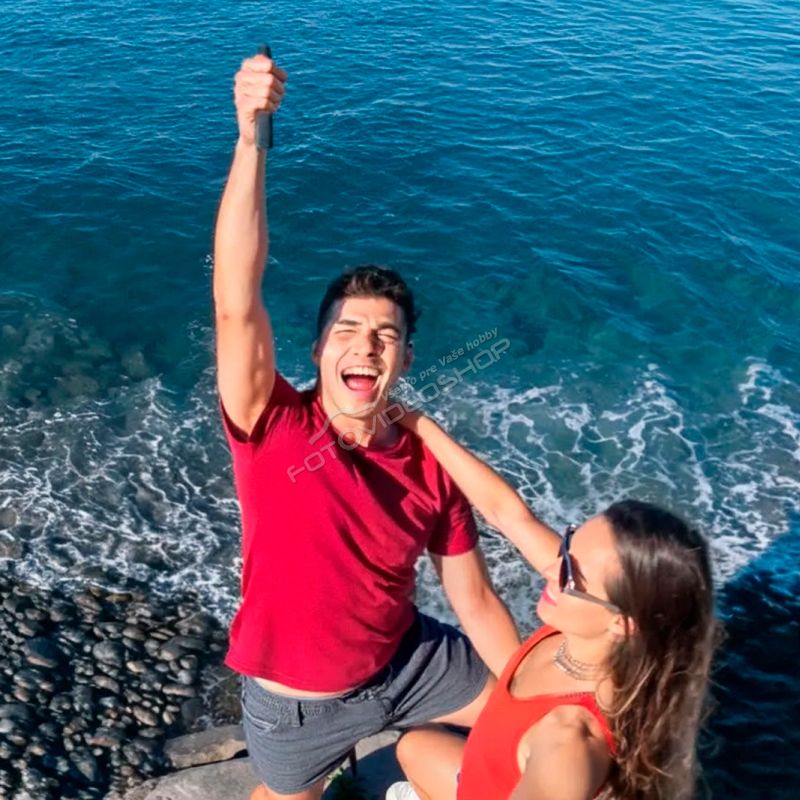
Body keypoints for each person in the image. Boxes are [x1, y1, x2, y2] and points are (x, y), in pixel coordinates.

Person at [213, 52, 550, 800]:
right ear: (316, 352)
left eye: (385, 335)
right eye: (347, 330)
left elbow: (475, 602)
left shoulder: (432, 466)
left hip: (410, 662)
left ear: (404, 359)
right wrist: (250, 137)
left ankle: (421, 761)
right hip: (299, 706)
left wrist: (538, 706)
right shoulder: (274, 426)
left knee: (544, 739)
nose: (365, 345)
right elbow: (236, 299)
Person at [386, 413, 718, 800]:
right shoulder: (583, 616)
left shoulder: (569, 741)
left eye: (572, 573)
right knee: (415, 746)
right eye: (567, 546)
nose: (550, 568)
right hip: (488, 777)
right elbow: (508, 514)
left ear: (623, 624)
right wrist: (414, 422)